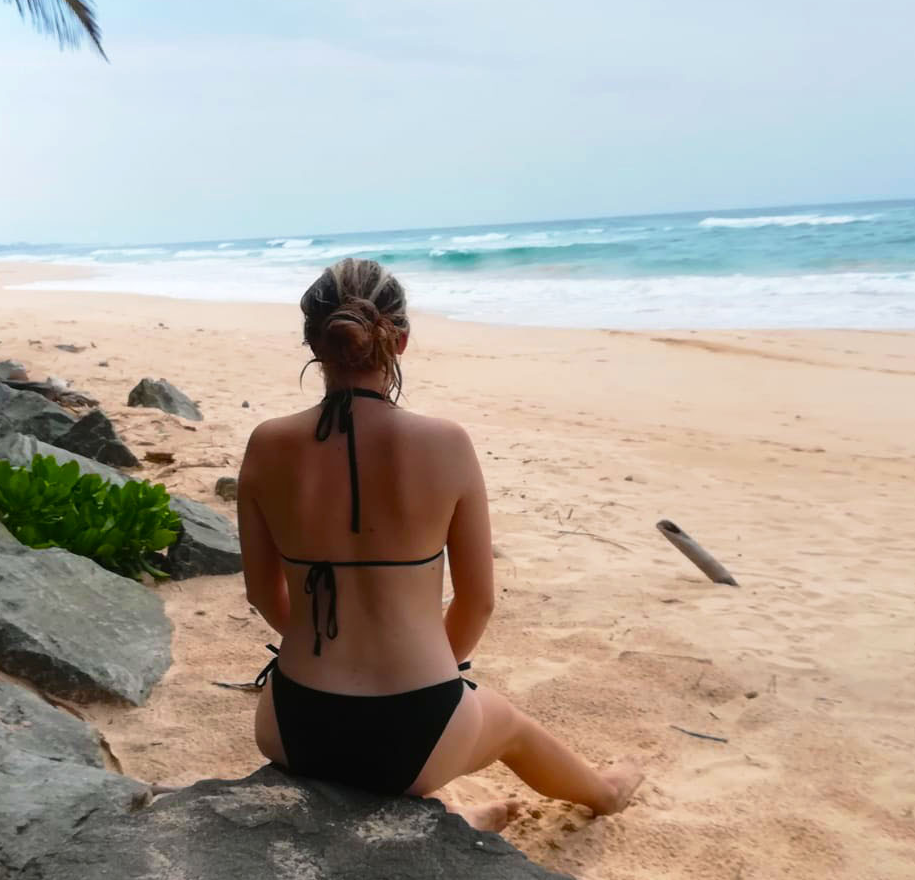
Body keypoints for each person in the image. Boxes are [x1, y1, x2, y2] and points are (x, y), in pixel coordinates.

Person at [238, 258, 644, 830]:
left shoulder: (267, 443)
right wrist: (423, 668)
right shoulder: (446, 443)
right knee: (510, 726)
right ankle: (605, 792)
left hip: (292, 725)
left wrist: (332, 648)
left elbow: (263, 593)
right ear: (399, 340)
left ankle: (456, 817)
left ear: (313, 340)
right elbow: (477, 602)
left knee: (385, 757)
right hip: (415, 729)